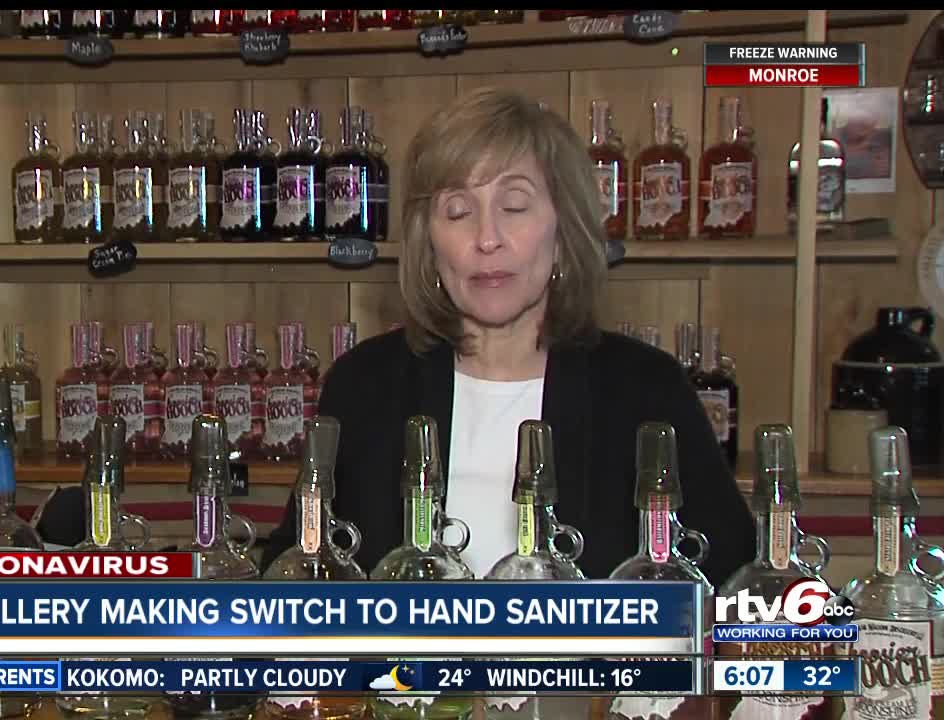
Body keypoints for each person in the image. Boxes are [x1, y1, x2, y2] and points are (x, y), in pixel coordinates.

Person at [260, 87, 756, 587]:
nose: (487, 238)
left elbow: (733, 581)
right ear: (429, 242)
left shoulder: (645, 390)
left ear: (563, 231)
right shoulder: (364, 385)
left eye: (515, 206)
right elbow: (293, 576)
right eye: (458, 212)